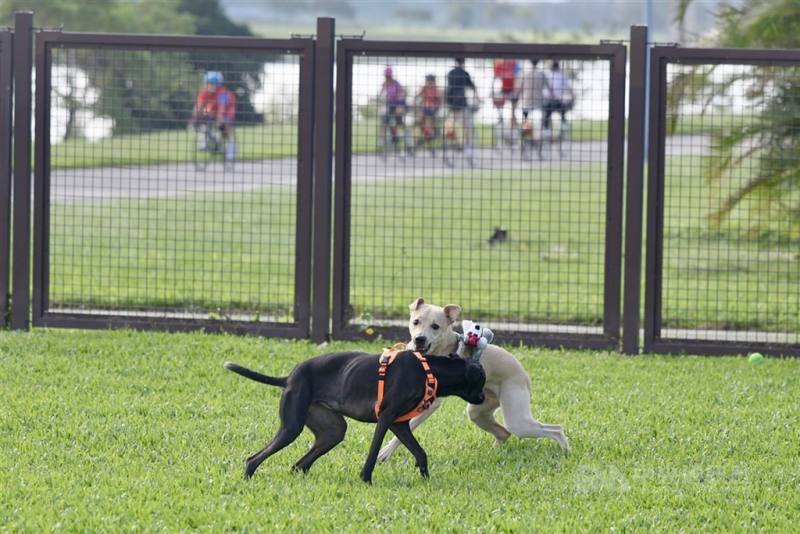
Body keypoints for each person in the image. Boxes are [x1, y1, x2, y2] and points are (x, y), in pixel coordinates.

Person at [190, 71, 236, 163]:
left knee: (224, 126)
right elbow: (199, 106)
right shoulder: (204, 91)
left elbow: (222, 109)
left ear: (218, 84)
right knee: (205, 119)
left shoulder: (223, 93)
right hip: (213, 108)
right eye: (208, 83)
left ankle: (230, 149)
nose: (210, 86)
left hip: (228, 109)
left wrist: (219, 121)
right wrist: (194, 118)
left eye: (212, 84)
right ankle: (205, 140)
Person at [445, 57, 477, 153]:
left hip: (452, 102)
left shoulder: (451, 73)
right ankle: (465, 145)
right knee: (466, 125)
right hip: (462, 102)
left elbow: (449, 89)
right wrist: (477, 98)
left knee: (452, 123)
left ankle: (457, 142)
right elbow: (472, 87)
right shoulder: (464, 73)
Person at [519, 59, 551, 138]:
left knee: (525, 115)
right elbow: (549, 88)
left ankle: (525, 129)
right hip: (539, 101)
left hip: (527, 101)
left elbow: (520, 88)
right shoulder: (541, 74)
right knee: (547, 110)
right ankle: (545, 128)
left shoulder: (526, 74)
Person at [542, 61, 575, 134]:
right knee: (563, 113)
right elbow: (569, 88)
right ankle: (563, 126)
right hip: (559, 102)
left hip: (549, 102)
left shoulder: (548, 75)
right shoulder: (562, 75)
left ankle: (546, 130)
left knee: (546, 115)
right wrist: (573, 98)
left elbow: (545, 91)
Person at [379, 66, 408, 146]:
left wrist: (400, 103)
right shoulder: (384, 84)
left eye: (388, 76)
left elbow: (402, 94)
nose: (387, 78)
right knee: (384, 120)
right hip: (389, 106)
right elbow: (381, 96)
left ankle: (406, 139)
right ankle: (383, 140)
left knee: (399, 122)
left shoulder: (396, 83)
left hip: (398, 105)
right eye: (386, 76)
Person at [492, 58, 521, 133]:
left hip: (513, 89)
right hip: (504, 89)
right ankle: (500, 118)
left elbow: (518, 79)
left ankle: (513, 125)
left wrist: (515, 92)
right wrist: (492, 91)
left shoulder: (515, 64)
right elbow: (495, 78)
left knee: (513, 110)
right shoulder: (499, 64)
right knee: (496, 99)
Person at [416, 74, 442, 142]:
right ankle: (424, 135)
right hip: (424, 107)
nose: (429, 82)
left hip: (432, 109)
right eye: (428, 81)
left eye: (430, 81)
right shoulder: (424, 87)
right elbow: (418, 95)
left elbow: (439, 101)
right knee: (419, 120)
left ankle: (429, 135)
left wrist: (435, 107)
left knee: (429, 121)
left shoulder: (436, 89)